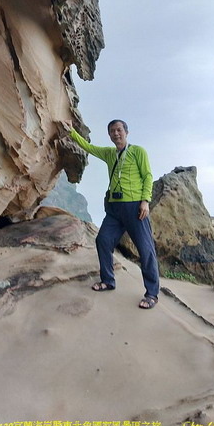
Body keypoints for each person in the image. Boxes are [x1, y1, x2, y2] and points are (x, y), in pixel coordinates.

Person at [59, 119, 160, 309]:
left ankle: (152, 293)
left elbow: (147, 176)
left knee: (145, 249)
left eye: (119, 130)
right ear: (109, 135)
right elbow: (87, 146)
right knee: (103, 240)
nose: (116, 134)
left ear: (126, 132)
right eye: (112, 131)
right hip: (114, 208)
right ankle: (108, 280)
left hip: (134, 207)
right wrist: (72, 132)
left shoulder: (138, 151)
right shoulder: (108, 153)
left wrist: (145, 201)